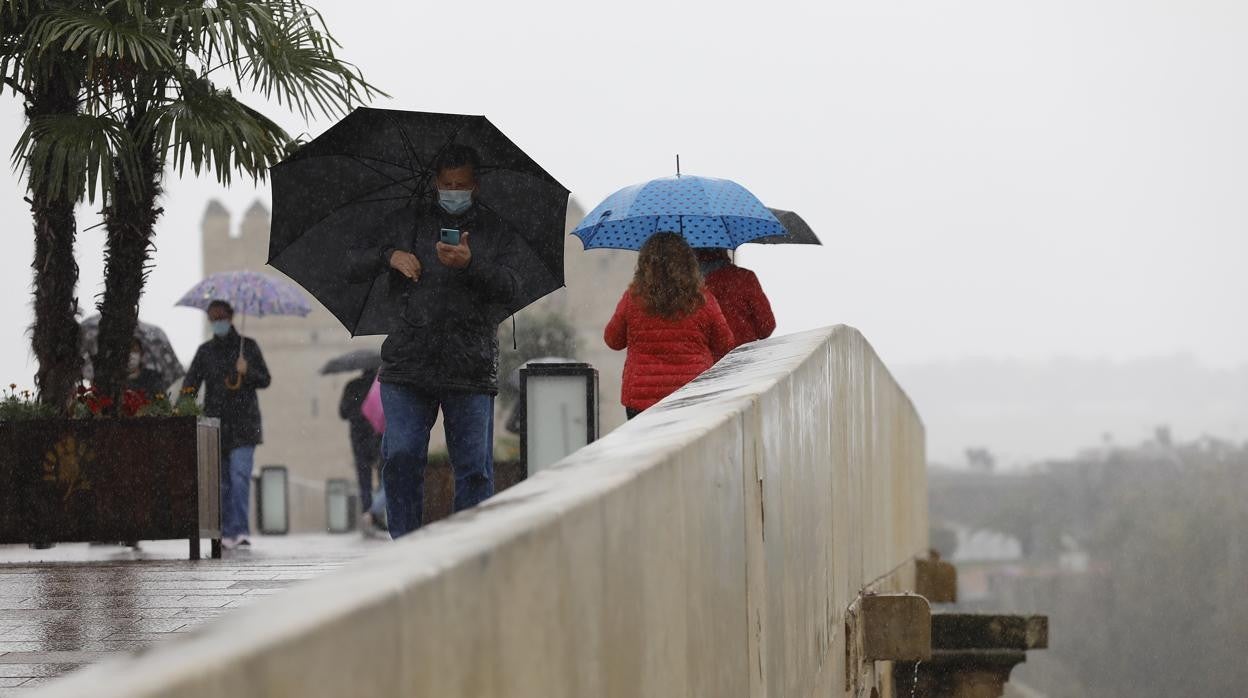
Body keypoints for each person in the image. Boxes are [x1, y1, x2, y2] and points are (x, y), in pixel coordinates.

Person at [346, 144, 521, 538]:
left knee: (474, 468)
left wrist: (471, 264)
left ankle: (468, 552)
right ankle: (406, 548)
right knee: (402, 455)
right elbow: (351, 263)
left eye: (461, 185)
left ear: (475, 186)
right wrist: (389, 255)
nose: (453, 192)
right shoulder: (406, 223)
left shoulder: (495, 230)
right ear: (435, 183)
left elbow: (511, 286)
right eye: (446, 185)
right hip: (409, 363)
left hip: (471, 365)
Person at [604, 232, 735, 420]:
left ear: (646, 263)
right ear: (689, 264)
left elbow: (612, 340)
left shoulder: (633, 298)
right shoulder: (703, 299)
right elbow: (726, 344)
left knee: (647, 449)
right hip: (692, 396)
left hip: (642, 401)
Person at [183, 300, 271, 550]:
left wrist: (248, 371)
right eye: (212, 318)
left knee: (240, 476)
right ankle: (223, 531)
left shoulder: (248, 347)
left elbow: (265, 379)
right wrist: (183, 408)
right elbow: (190, 384)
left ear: (231, 317)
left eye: (221, 317)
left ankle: (239, 530)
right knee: (221, 482)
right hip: (216, 426)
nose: (217, 322)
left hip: (245, 426)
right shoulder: (205, 352)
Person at [694, 248, 776, 350]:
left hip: (711, 360)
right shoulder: (744, 277)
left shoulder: (692, 287)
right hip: (745, 355)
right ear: (724, 251)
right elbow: (766, 327)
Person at [339, 367, 384, 535]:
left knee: (363, 477)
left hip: (358, 437)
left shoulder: (352, 386)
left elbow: (342, 413)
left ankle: (367, 513)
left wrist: (355, 413)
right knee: (381, 476)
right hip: (377, 434)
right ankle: (377, 515)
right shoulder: (379, 384)